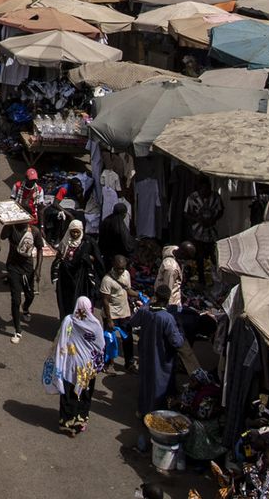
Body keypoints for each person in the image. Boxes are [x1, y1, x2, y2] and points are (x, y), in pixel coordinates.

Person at [44, 295, 105, 435]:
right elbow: (101, 345)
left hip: (70, 365)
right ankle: (80, 421)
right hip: (87, 367)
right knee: (84, 393)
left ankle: (66, 422)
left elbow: (61, 340)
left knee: (69, 393)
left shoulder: (69, 320)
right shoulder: (95, 324)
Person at [131, 286, 187, 434]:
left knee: (145, 383)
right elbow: (177, 342)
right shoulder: (167, 318)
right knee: (158, 387)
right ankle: (153, 419)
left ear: (155, 296)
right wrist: (181, 330)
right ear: (168, 299)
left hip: (145, 355)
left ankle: (142, 411)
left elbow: (133, 322)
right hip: (161, 359)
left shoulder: (145, 310)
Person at [51, 219, 103, 320]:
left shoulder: (88, 242)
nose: (75, 234)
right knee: (68, 303)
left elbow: (97, 260)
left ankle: (80, 325)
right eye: (73, 231)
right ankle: (68, 325)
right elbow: (58, 257)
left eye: (77, 232)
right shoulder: (65, 242)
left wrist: (88, 258)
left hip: (82, 280)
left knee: (81, 303)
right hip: (66, 280)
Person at [4, 220, 44, 343]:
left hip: (27, 269)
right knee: (15, 299)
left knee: (30, 295)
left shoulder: (34, 231)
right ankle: (18, 330)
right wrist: (8, 225)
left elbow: (40, 249)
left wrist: (38, 269)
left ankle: (25, 308)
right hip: (13, 267)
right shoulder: (12, 228)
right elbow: (2, 236)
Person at [183, 177, 223, 287]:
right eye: (204, 190)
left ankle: (217, 279)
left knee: (213, 255)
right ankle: (201, 279)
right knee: (199, 255)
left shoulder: (215, 197)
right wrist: (198, 220)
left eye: (208, 189)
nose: (206, 192)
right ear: (199, 189)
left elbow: (221, 210)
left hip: (211, 231)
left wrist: (213, 219)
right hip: (198, 232)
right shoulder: (192, 198)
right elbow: (186, 213)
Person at [99, 255, 136, 374]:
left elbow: (127, 290)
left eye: (123, 268)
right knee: (110, 341)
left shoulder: (126, 274)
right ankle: (108, 364)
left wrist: (140, 295)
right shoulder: (107, 280)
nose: (121, 271)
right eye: (118, 268)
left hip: (125, 314)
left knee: (128, 340)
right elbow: (105, 300)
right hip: (112, 315)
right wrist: (109, 319)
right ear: (113, 266)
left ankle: (129, 363)